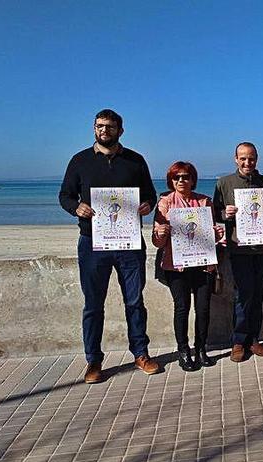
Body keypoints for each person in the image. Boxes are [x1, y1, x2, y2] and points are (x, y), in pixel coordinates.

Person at [58, 109, 162, 384]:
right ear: (94, 128)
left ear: (120, 130)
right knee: (93, 304)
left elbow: (149, 194)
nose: (104, 130)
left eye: (110, 127)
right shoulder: (79, 161)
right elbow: (65, 195)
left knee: (135, 301)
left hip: (129, 243)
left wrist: (147, 205)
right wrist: (75, 207)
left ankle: (141, 353)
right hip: (92, 243)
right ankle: (93, 361)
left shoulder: (135, 160)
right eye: (99, 126)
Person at [152, 162, 225, 371]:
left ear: (193, 179)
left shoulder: (204, 202)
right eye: (177, 178)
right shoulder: (165, 203)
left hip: (203, 264)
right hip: (177, 266)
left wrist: (217, 235)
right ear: (171, 181)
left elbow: (211, 235)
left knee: (203, 308)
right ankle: (183, 351)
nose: (181, 181)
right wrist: (161, 234)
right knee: (182, 308)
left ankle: (201, 348)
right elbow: (156, 242)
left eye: (185, 177)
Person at [213, 143, 263, 362]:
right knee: (243, 295)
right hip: (239, 248)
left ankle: (254, 340)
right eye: (242, 158)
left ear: (257, 159)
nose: (247, 163)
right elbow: (214, 213)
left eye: (251, 159)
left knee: (258, 296)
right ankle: (238, 341)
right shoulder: (224, 183)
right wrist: (226, 213)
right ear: (235, 159)